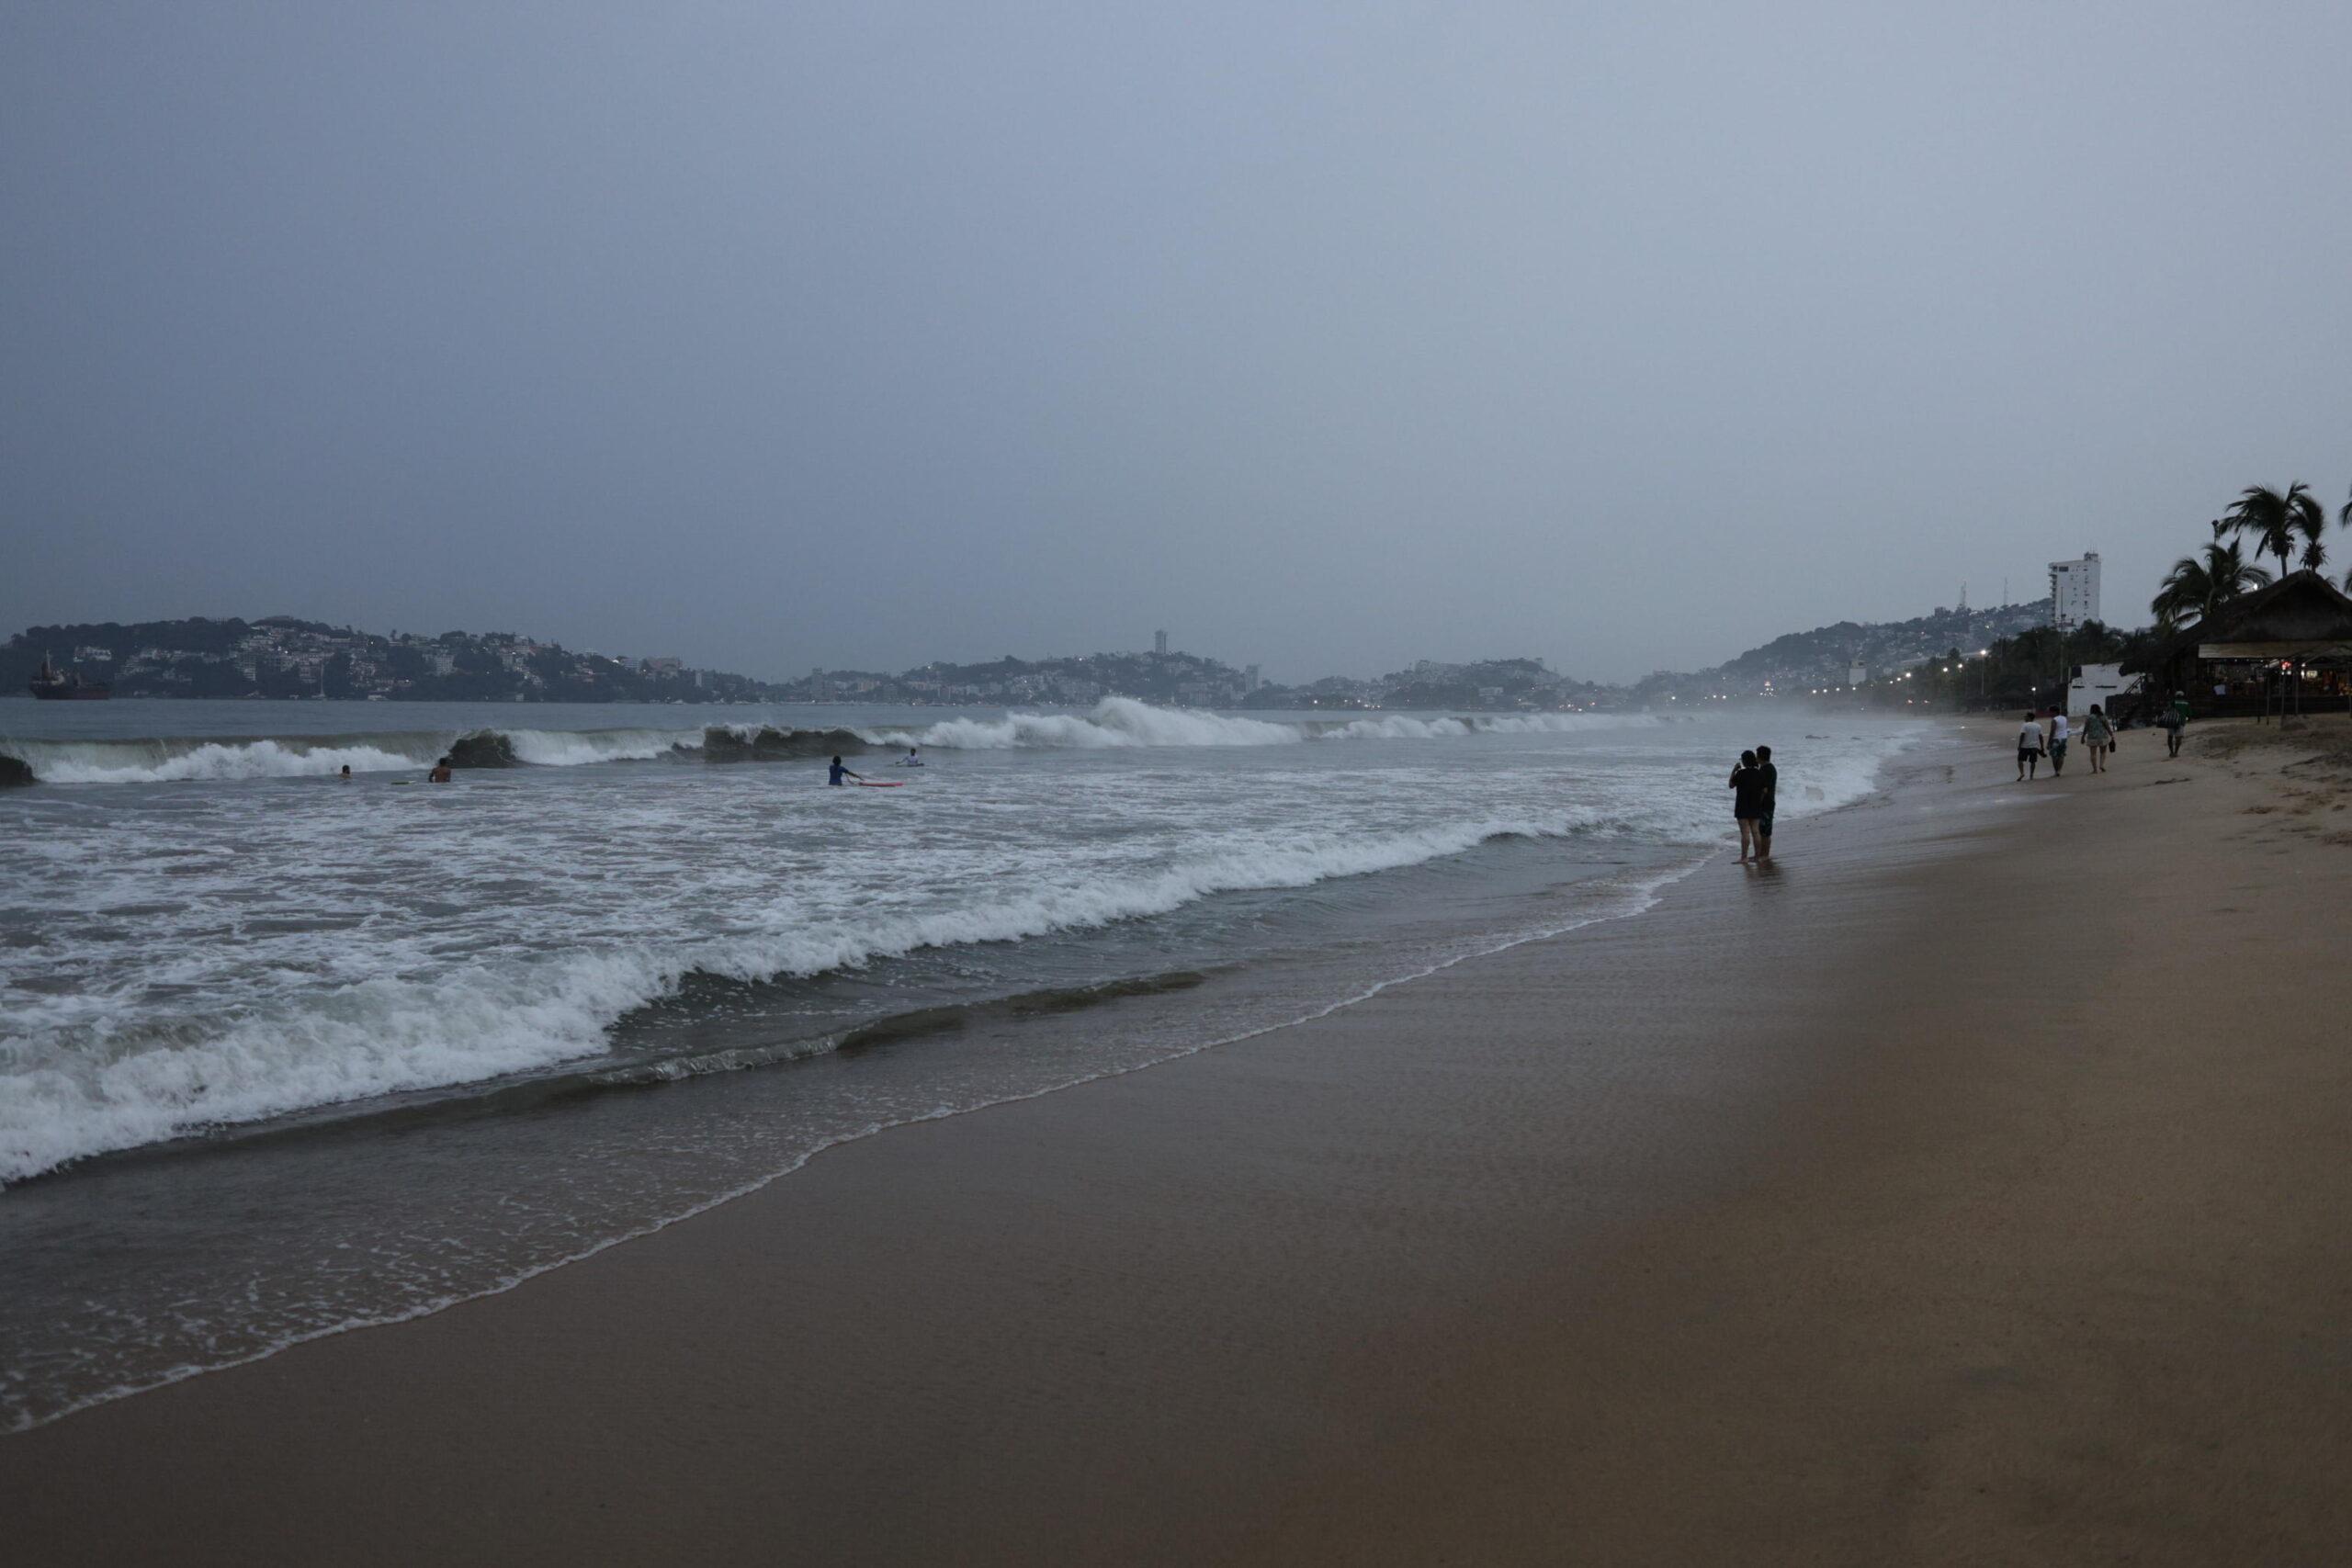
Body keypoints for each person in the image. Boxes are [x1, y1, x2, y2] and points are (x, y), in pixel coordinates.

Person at [1729, 750, 1766, 863]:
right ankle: (1757, 857)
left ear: (1744, 761)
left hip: (1742, 805)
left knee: (1745, 833)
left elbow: (1731, 785)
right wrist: (1760, 801)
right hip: (1756, 805)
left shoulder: (1740, 773)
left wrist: (1734, 770)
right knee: (1756, 832)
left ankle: (1744, 857)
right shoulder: (1759, 773)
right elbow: (1764, 790)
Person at [1752, 744, 1778, 862]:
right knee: (1763, 830)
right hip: (1769, 802)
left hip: (1766, 803)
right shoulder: (1769, 768)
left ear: (1760, 757)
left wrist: (1757, 803)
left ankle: (1764, 855)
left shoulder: (1766, 769)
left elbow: (1764, 789)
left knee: (1764, 831)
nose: (1756, 758)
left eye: (1757, 755)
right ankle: (1762, 854)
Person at [2082, 703, 2114, 773]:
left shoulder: (2089, 717)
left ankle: (2095, 770)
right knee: (2103, 752)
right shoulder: (2103, 716)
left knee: (2093, 754)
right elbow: (2107, 727)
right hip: (2103, 737)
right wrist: (2111, 735)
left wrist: (2083, 737)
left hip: (2092, 737)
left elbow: (2086, 728)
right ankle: (2101, 765)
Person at [2016, 712, 2044, 781]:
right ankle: (2031, 775)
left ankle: (2022, 773)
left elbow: (2022, 735)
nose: (2024, 717)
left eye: (2025, 716)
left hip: (2024, 746)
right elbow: (2041, 737)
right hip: (2034, 747)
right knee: (2033, 761)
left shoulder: (2025, 725)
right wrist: (2042, 746)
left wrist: (2019, 745)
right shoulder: (2038, 725)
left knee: (2020, 760)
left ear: (2029, 717)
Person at [2160, 691, 2188, 758]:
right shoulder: (2186, 703)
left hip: (2171, 721)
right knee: (2178, 738)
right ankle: (2176, 752)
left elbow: (2167, 710)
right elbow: (2189, 713)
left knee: (2170, 736)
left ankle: (2171, 752)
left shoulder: (2173, 702)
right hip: (2181, 722)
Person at [2046, 706, 2071, 776]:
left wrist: (2049, 743)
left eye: (2050, 712)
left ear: (2054, 712)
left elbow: (2052, 731)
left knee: (2054, 756)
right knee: (2061, 755)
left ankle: (2056, 771)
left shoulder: (2054, 720)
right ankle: (2059, 770)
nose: (2049, 713)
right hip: (2064, 738)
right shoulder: (2064, 718)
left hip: (2056, 739)